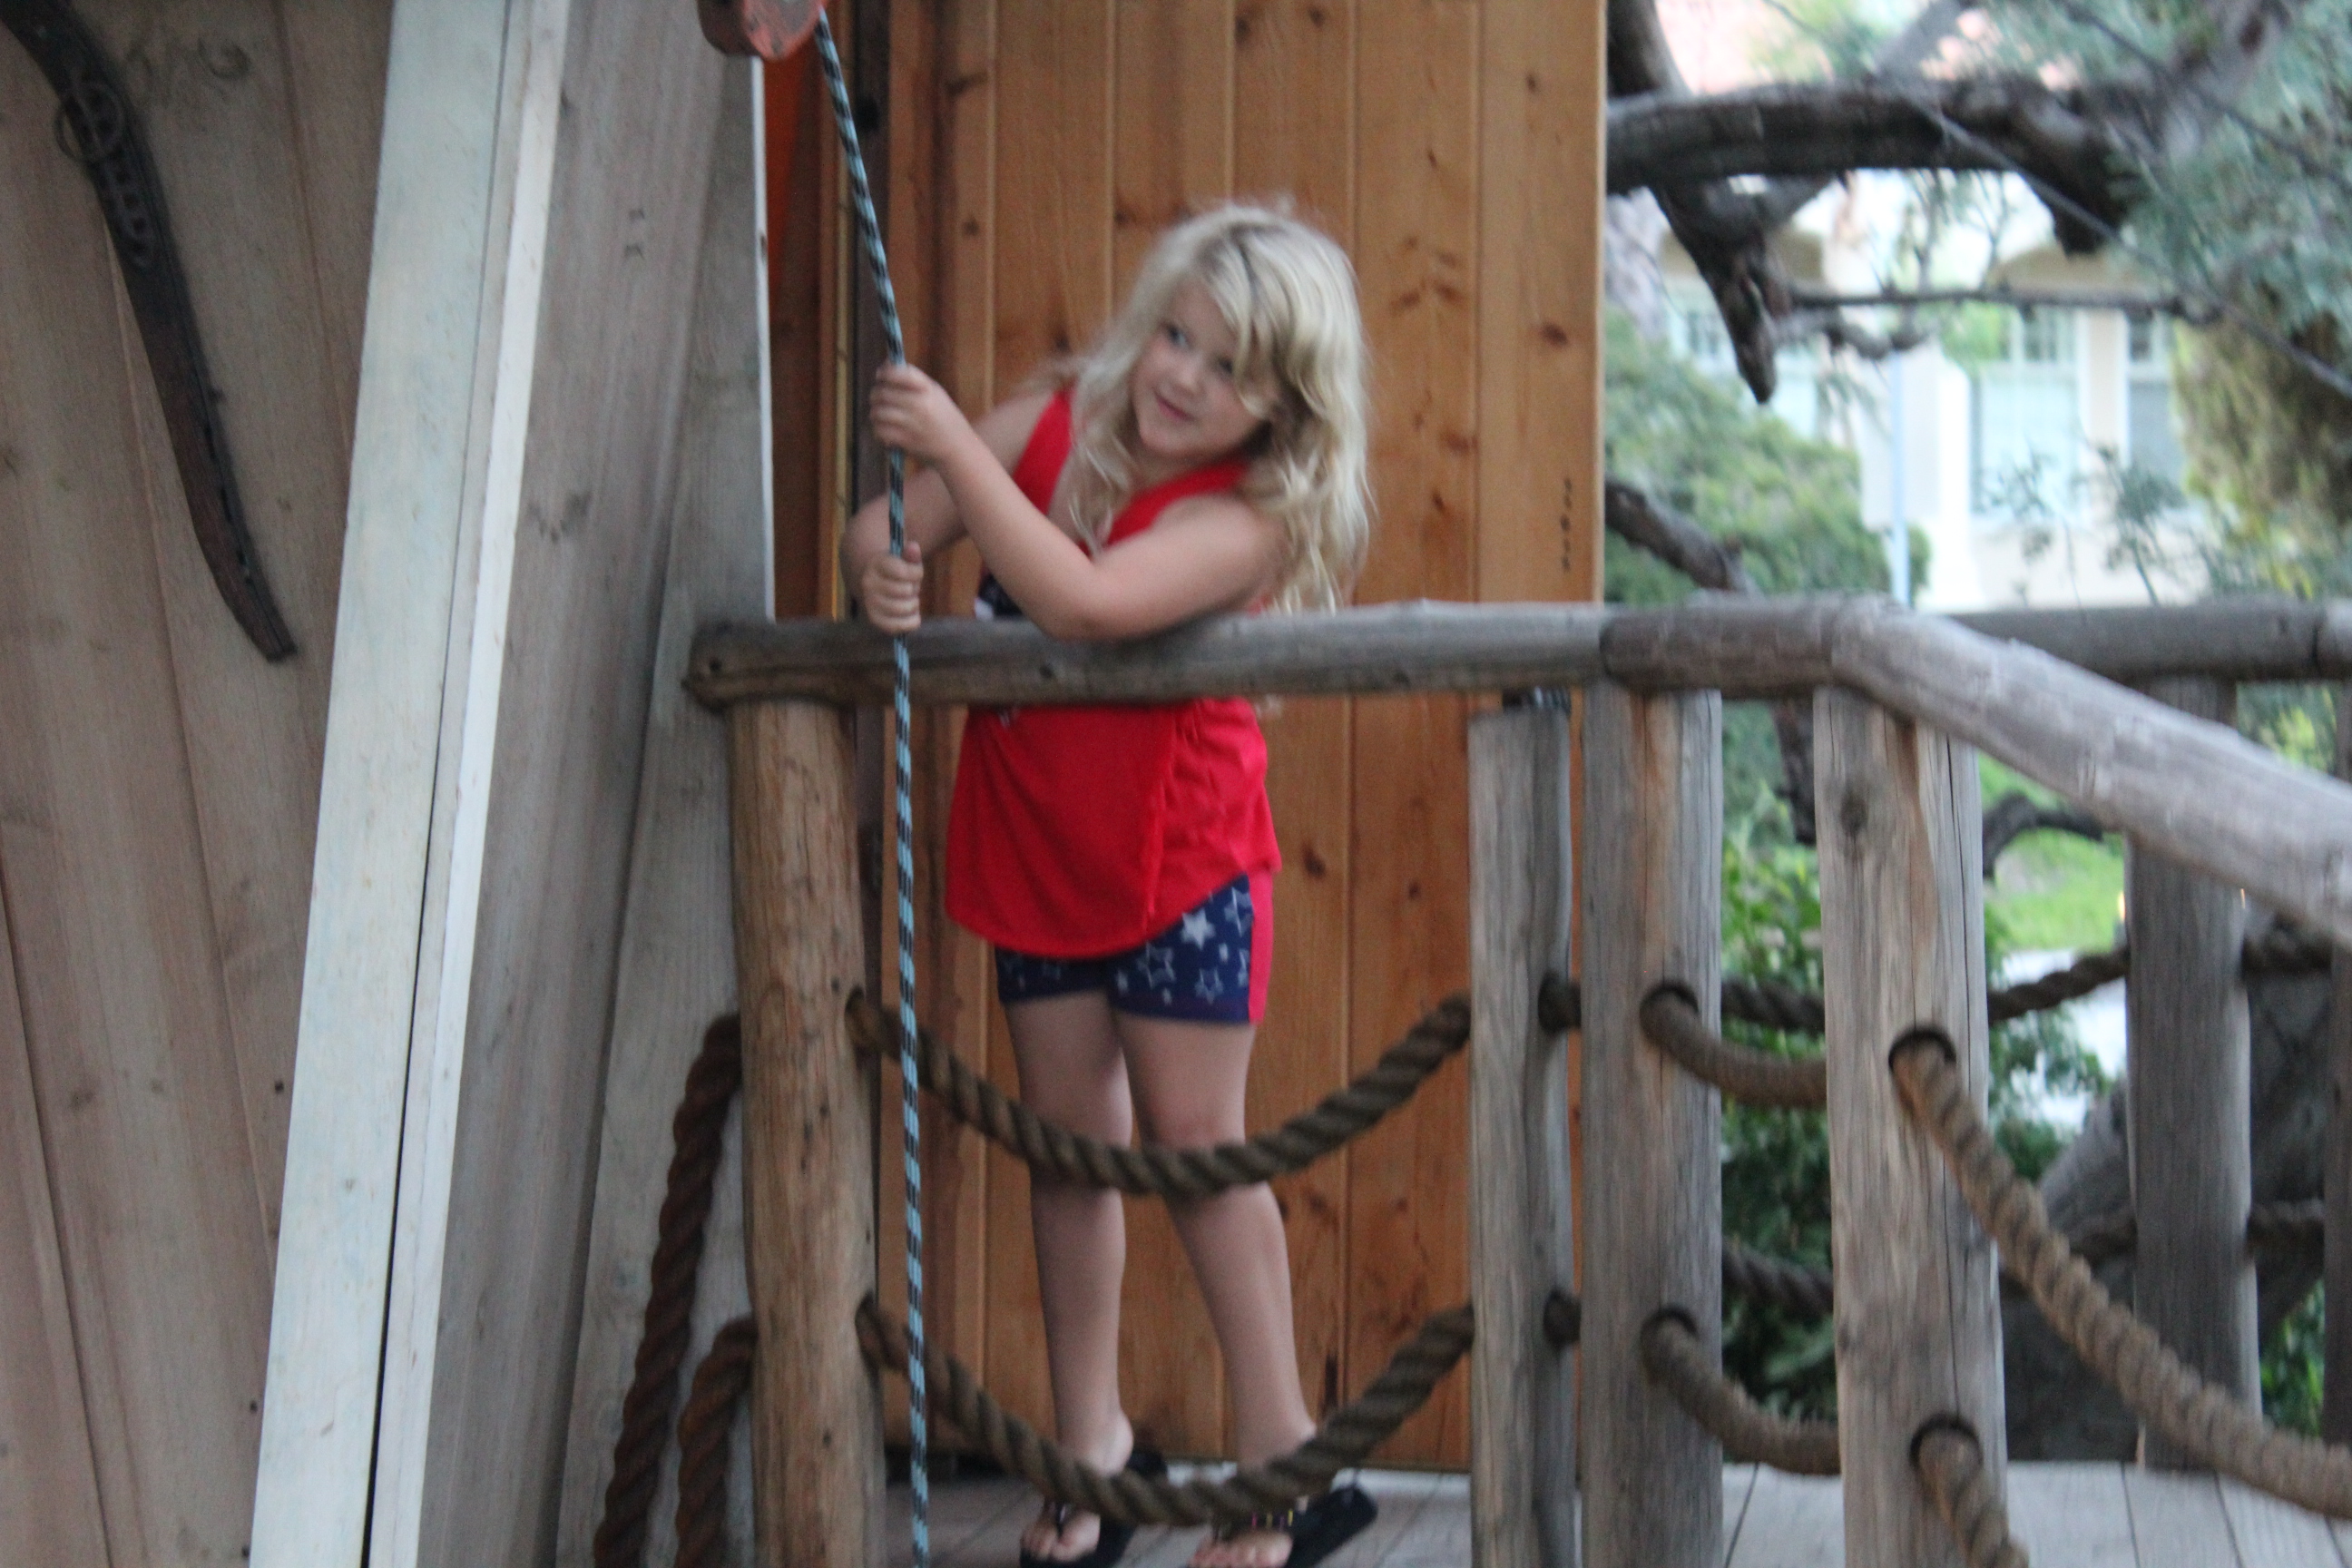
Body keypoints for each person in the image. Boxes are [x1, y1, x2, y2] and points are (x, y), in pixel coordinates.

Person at [841, 203, 1374, 1568]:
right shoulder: (1055, 420)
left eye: (1232, 370)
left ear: (1285, 406)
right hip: (1038, 842)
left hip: (1181, 859)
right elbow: (889, 528)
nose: (1184, 378)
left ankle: (1287, 1464)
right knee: (1069, 1150)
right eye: (1180, 336)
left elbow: (1085, 603)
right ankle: (1095, 1447)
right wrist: (883, 568)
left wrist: (958, 444)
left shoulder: (1249, 519)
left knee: (1197, 1149)